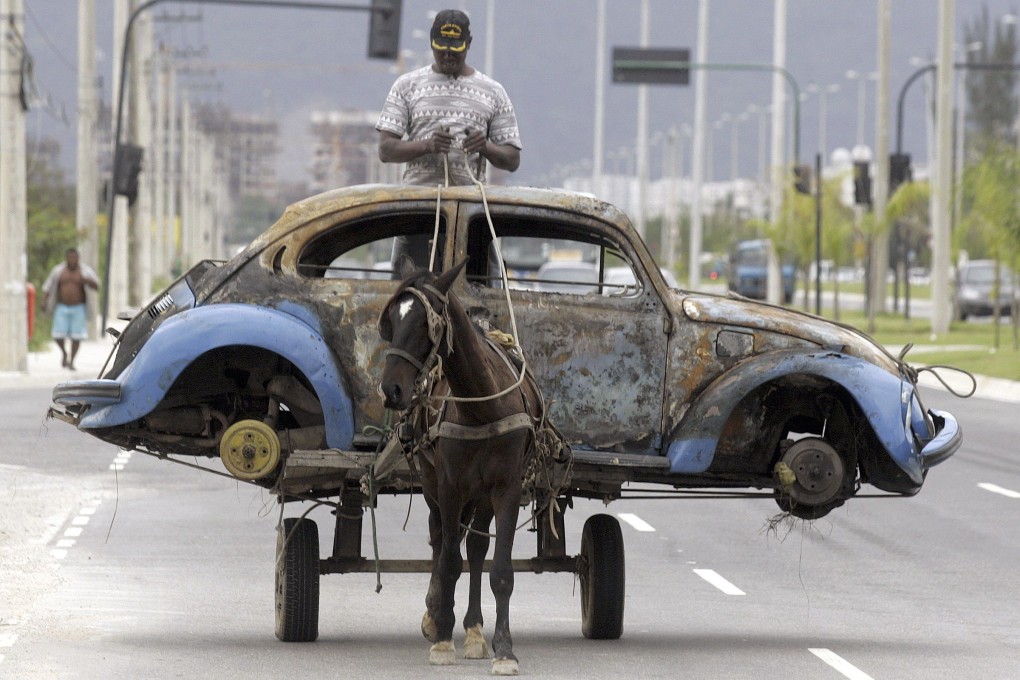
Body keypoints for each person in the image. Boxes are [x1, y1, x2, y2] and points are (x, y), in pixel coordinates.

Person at [376, 8, 522, 187]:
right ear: (431, 42)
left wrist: (485, 147)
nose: (447, 56)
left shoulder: (494, 92)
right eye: (442, 49)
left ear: (468, 43)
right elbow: (385, 150)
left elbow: (513, 160)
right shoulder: (406, 86)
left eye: (454, 51)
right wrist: (426, 145)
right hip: (418, 206)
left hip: (470, 207)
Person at [42, 247, 99, 370]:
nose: (73, 260)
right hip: (62, 307)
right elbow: (48, 286)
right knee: (57, 334)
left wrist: (87, 281)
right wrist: (44, 301)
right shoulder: (59, 271)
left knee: (76, 336)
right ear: (67, 258)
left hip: (79, 308)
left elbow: (96, 285)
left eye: (75, 258)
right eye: (70, 257)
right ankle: (64, 353)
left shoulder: (84, 271)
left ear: (78, 258)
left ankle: (72, 361)